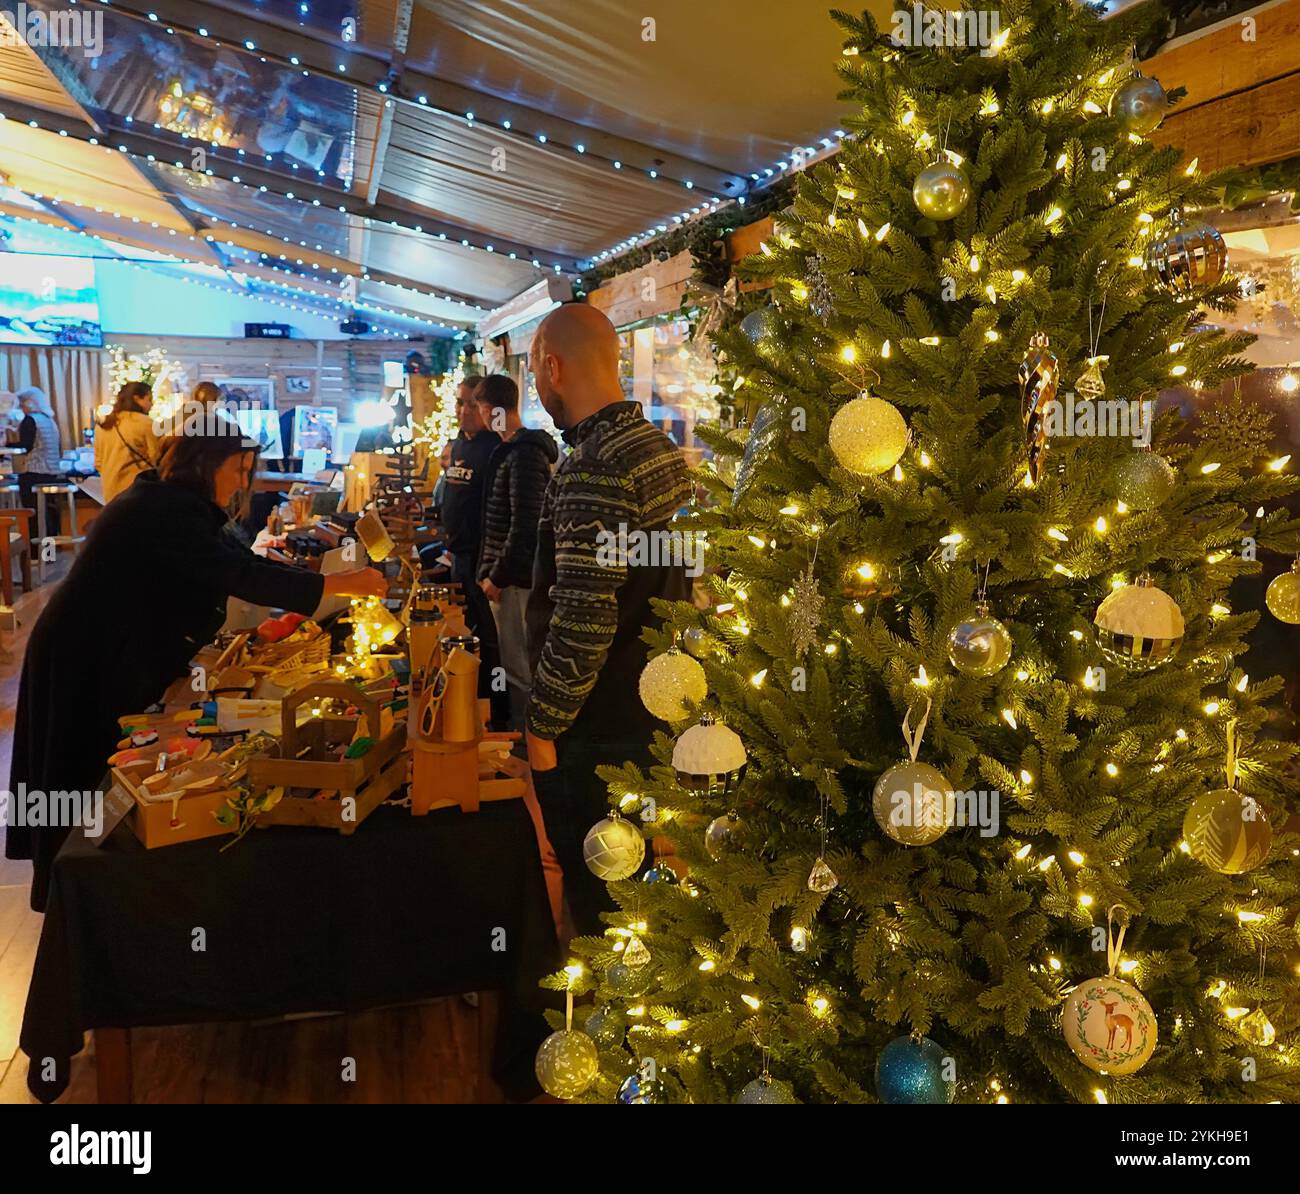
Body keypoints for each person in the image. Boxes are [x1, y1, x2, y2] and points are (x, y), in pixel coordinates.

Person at [4, 406, 386, 911]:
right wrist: (342, 584)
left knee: (91, 763)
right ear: (207, 465)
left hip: (99, 644)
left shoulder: (172, 503)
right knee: (79, 768)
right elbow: (237, 575)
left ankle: (92, 899)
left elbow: (239, 561)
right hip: (86, 653)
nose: (242, 481)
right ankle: (76, 905)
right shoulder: (166, 511)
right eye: (238, 470)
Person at [524, 304, 690, 935]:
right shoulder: (657, 449)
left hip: (597, 730)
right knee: (647, 903)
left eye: (538, 373)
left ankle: (611, 1032)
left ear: (552, 365)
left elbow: (585, 617)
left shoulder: (593, 464)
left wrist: (542, 726)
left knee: (604, 909)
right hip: (652, 714)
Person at [474, 374, 558, 728]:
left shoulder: (524, 455)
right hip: (510, 576)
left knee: (518, 664)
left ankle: (526, 743)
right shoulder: (514, 451)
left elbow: (526, 525)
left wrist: (498, 574)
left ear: (492, 410)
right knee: (512, 662)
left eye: (479, 409)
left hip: (516, 580)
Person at [439, 378, 507, 727]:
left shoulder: (494, 449)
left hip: (484, 560)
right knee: (467, 633)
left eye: (469, 404)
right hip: (459, 557)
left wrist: (491, 566)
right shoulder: (458, 446)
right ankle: (471, 700)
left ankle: (495, 710)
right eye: (459, 403)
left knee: (489, 642)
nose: (462, 411)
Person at [93, 381, 160, 502]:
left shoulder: (104, 424)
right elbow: (157, 457)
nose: (152, 404)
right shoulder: (145, 423)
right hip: (138, 491)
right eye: (149, 399)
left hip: (110, 492)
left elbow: (98, 462)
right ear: (137, 399)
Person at [15, 387, 64, 534]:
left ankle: (35, 550)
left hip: (34, 472)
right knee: (48, 512)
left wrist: (6, 446)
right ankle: (50, 549)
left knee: (34, 514)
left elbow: (25, 446)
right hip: (52, 472)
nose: (21, 409)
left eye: (22, 405)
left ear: (30, 403)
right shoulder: (49, 420)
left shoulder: (30, 420)